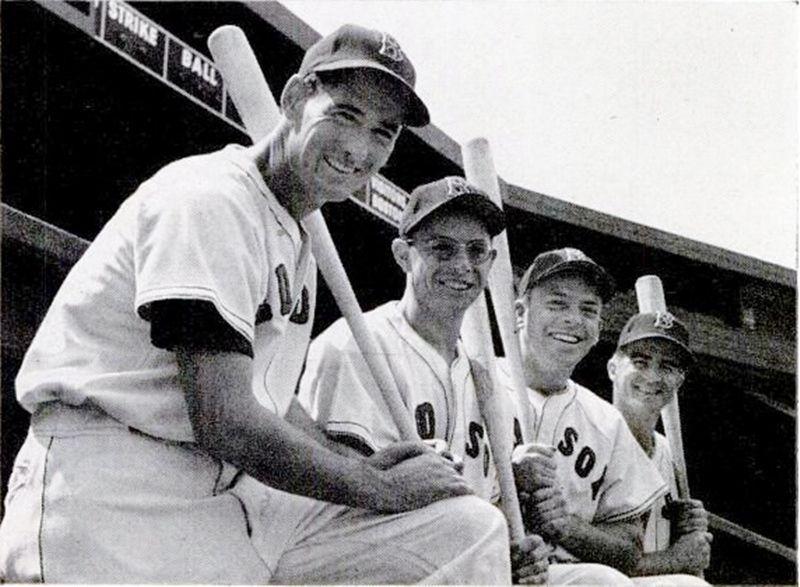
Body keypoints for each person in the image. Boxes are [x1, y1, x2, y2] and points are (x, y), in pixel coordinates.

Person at [0, 25, 510, 584]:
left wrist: (359, 462)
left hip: (215, 496)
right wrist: (377, 487)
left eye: (382, 132)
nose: (360, 148)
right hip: (111, 482)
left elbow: (268, 394)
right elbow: (224, 419)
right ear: (294, 98)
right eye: (344, 114)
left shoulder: (294, 232)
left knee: (462, 527)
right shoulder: (210, 198)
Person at [299, 178, 637, 585]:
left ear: (491, 263)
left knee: (600, 582)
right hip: (341, 553)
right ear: (403, 255)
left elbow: (487, 509)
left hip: (447, 552)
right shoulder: (358, 342)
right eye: (442, 248)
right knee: (475, 528)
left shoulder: (486, 379)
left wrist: (514, 548)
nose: (462, 264)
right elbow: (339, 488)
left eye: (476, 251)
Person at [505, 247, 669, 583]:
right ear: (520, 312)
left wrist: (567, 526)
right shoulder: (474, 380)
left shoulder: (607, 422)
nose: (573, 319)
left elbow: (628, 549)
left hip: (562, 573)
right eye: (558, 303)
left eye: (588, 309)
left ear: (597, 328)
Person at [609, 311, 712, 585]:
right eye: (640, 362)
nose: (652, 376)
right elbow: (578, 555)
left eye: (667, 367)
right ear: (612, 369)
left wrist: (690, 530)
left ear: (679, 381)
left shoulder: (668, 452)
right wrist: (676, 559)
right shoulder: (593, 434)